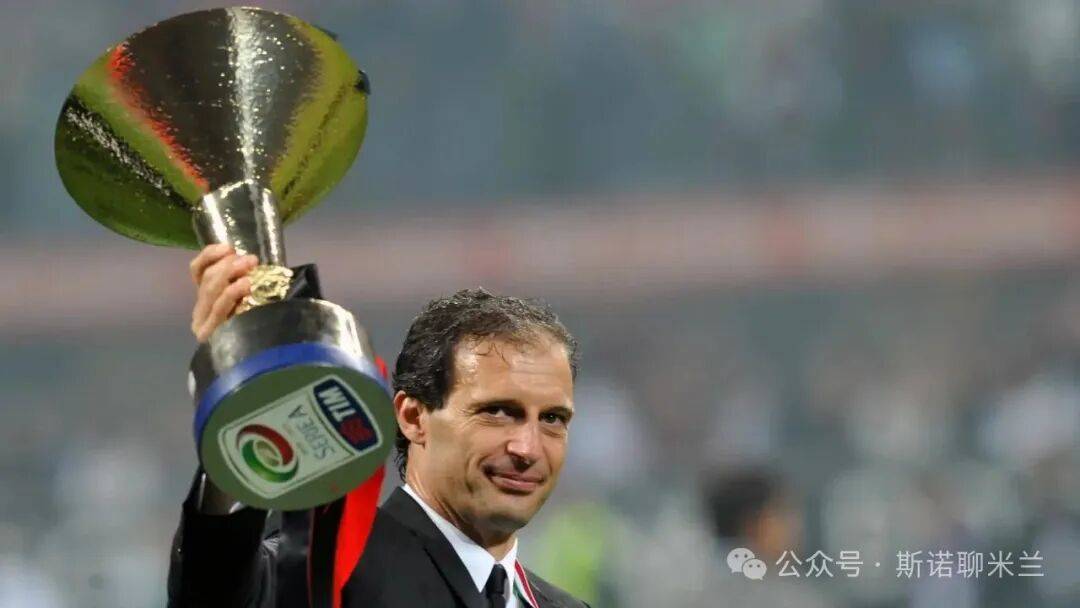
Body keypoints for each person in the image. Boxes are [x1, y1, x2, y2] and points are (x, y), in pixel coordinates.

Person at [168, 244, 589, 608]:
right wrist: (245, 403)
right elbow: (217, 595)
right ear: (412, 417)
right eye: (497, 412)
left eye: (552, 419)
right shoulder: (327, 562)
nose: (527, 448)